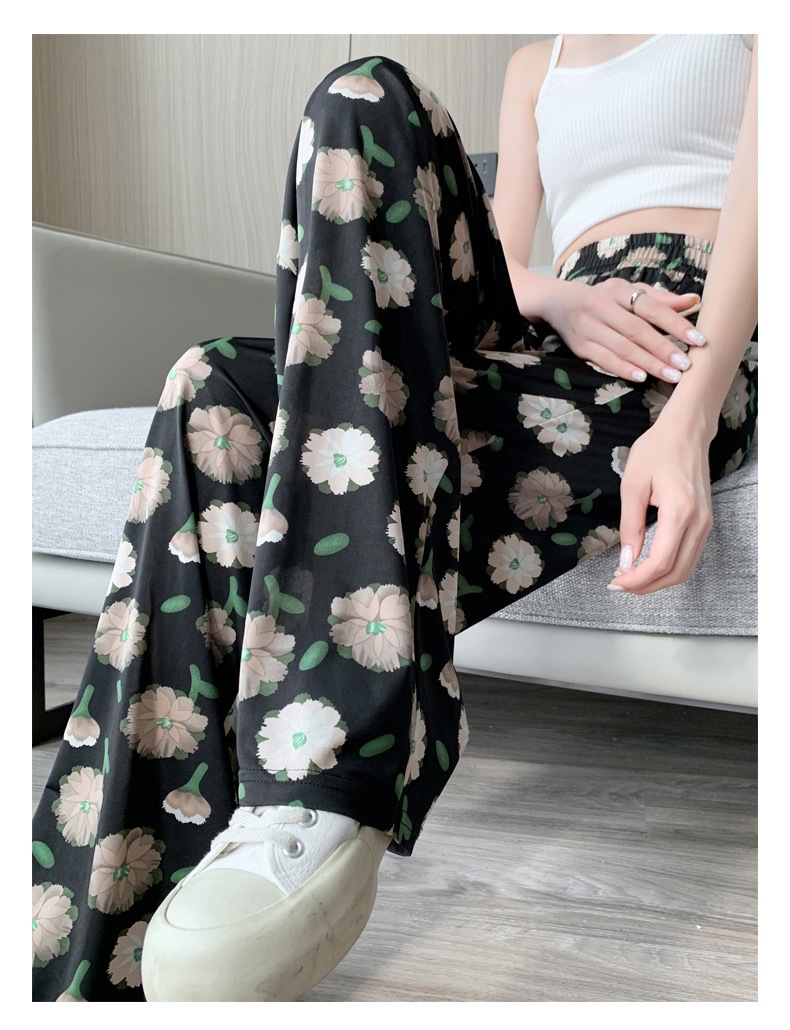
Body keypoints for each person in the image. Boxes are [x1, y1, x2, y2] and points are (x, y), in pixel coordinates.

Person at [32, 34, 757, 1002]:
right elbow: (500, 262)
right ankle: (82, 955)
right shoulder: (535, 65)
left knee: (223, 389)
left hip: (682, 335)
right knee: (338, 140)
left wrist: (691, 417)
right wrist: (564, 299)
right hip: (547, 331)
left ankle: (320, 768)